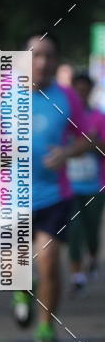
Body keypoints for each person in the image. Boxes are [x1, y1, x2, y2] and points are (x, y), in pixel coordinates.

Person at [11, 33, 90, 342]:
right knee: (15, 265)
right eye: (36, 55)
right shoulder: (3, 94)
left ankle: (45, 327)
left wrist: (66, 153)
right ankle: (21, 288)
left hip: (54, 194)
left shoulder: (66, 96)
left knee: (48, 259)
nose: (42, 62)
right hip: (12, 196)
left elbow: (87, 138)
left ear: (56, 61)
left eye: (49, 56)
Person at [67, 72, 105, 293]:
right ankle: (76, 274)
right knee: (74, 230)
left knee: (91, 231)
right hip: (69, 187)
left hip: (95, 186)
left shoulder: (99, 117)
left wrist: (92, 142)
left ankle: (92, 256)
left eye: (85, 90)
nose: (81, 94)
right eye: (77, 90)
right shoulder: (64, 116)